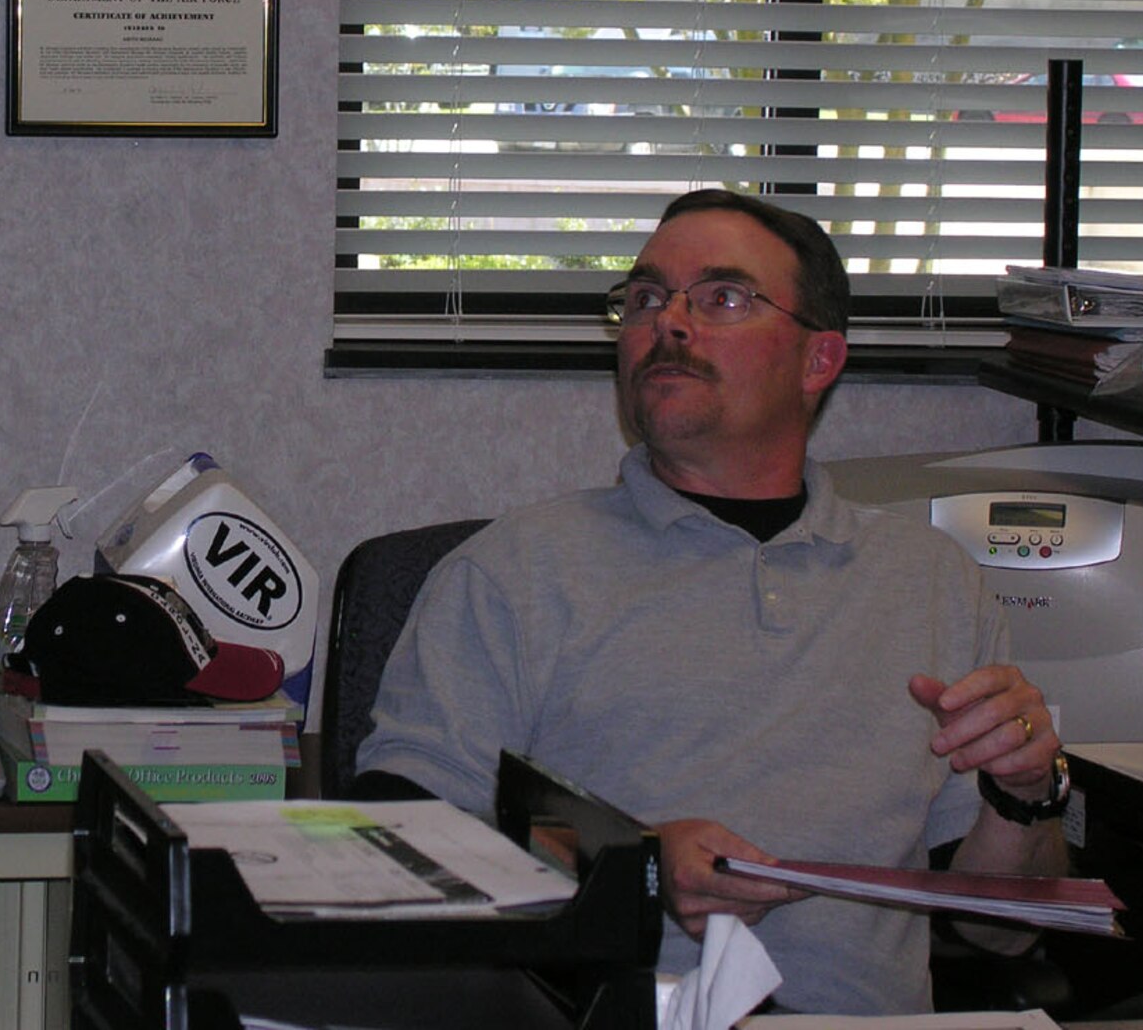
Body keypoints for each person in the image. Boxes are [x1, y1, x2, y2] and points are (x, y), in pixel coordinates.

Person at [356, 188, 1069, 1015]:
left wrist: (1024, 792)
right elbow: (396, 848)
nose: (671, 323)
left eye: (722, 297)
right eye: (648, 297)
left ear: (819, 361)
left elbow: (999, 932)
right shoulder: (512, 573)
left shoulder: (934, 581)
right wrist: (629, 867)